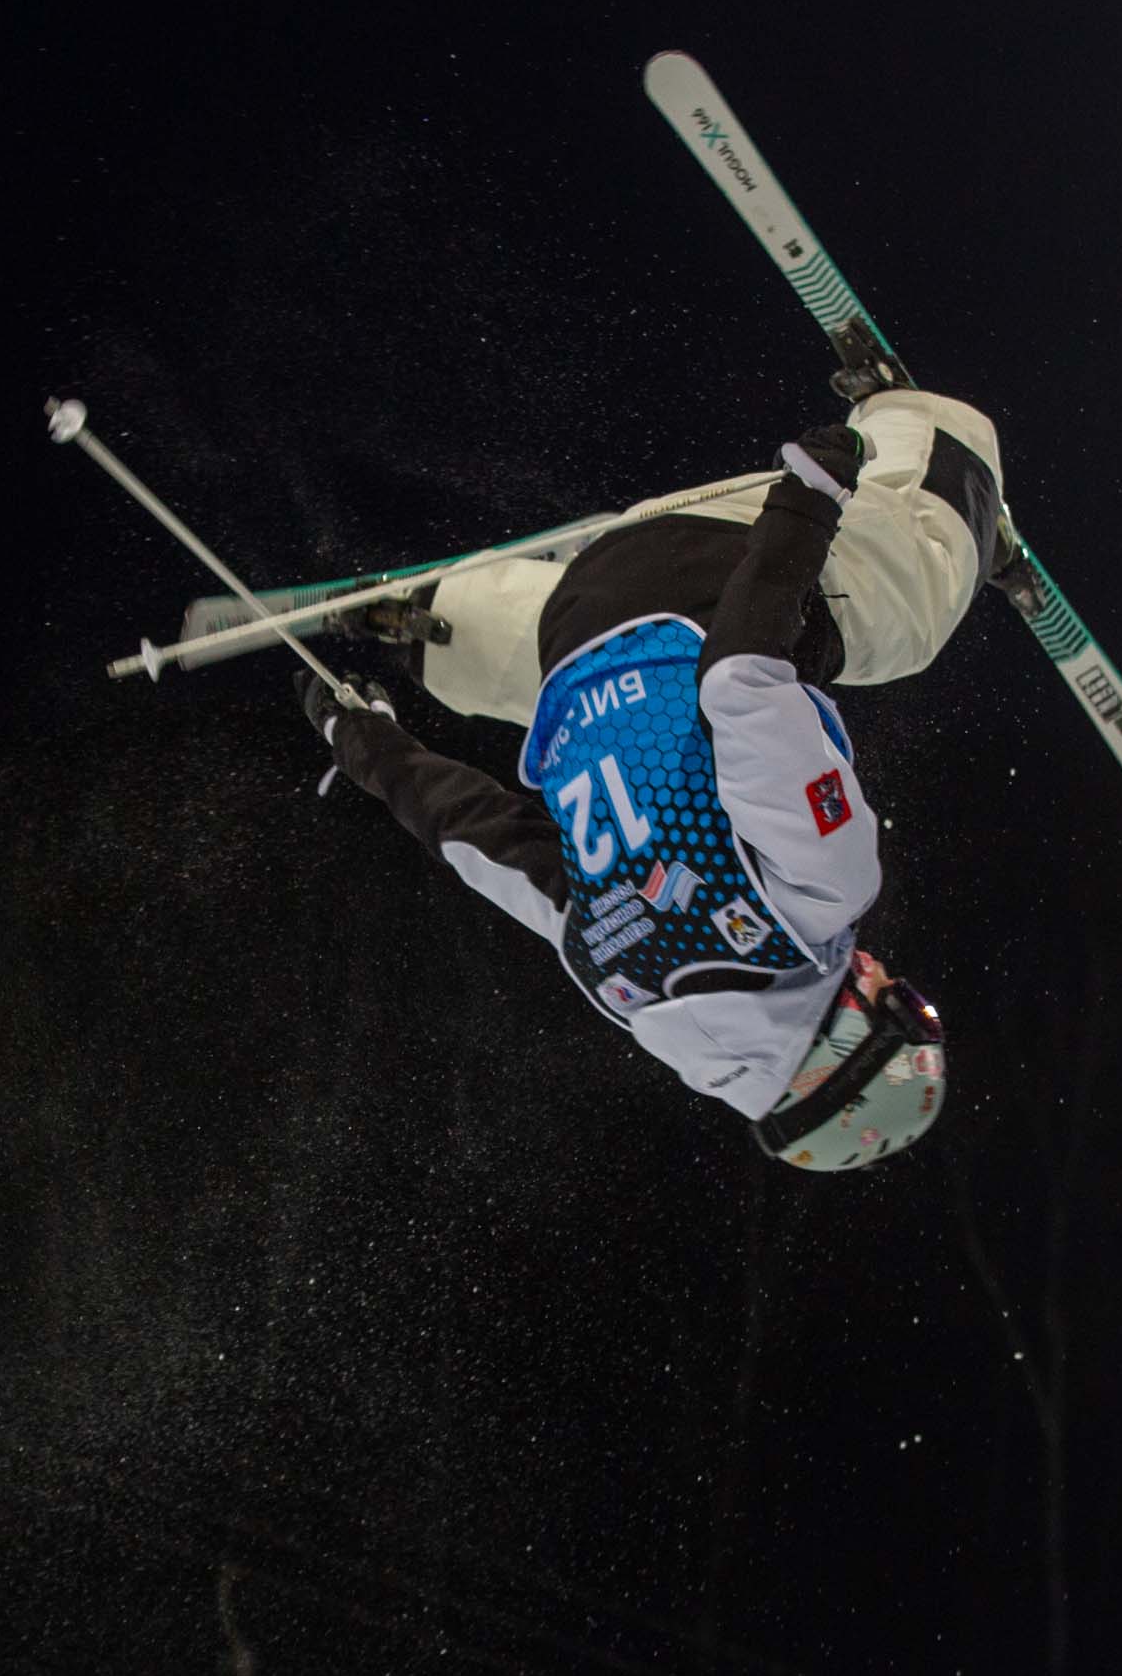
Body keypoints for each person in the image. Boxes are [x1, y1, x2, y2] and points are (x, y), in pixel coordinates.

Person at [298, 386, 1006, 1170]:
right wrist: (361, 740)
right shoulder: (620, 983)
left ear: (850, 1047)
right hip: (574, 615)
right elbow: (480, 839)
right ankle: (445, 627)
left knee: (908, 614)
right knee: (616, 718)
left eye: (899, 1003)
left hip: (699, 563)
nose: (886, 974)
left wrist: (810, 498)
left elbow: (741, 680)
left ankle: (931, 440)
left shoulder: (819, 902)